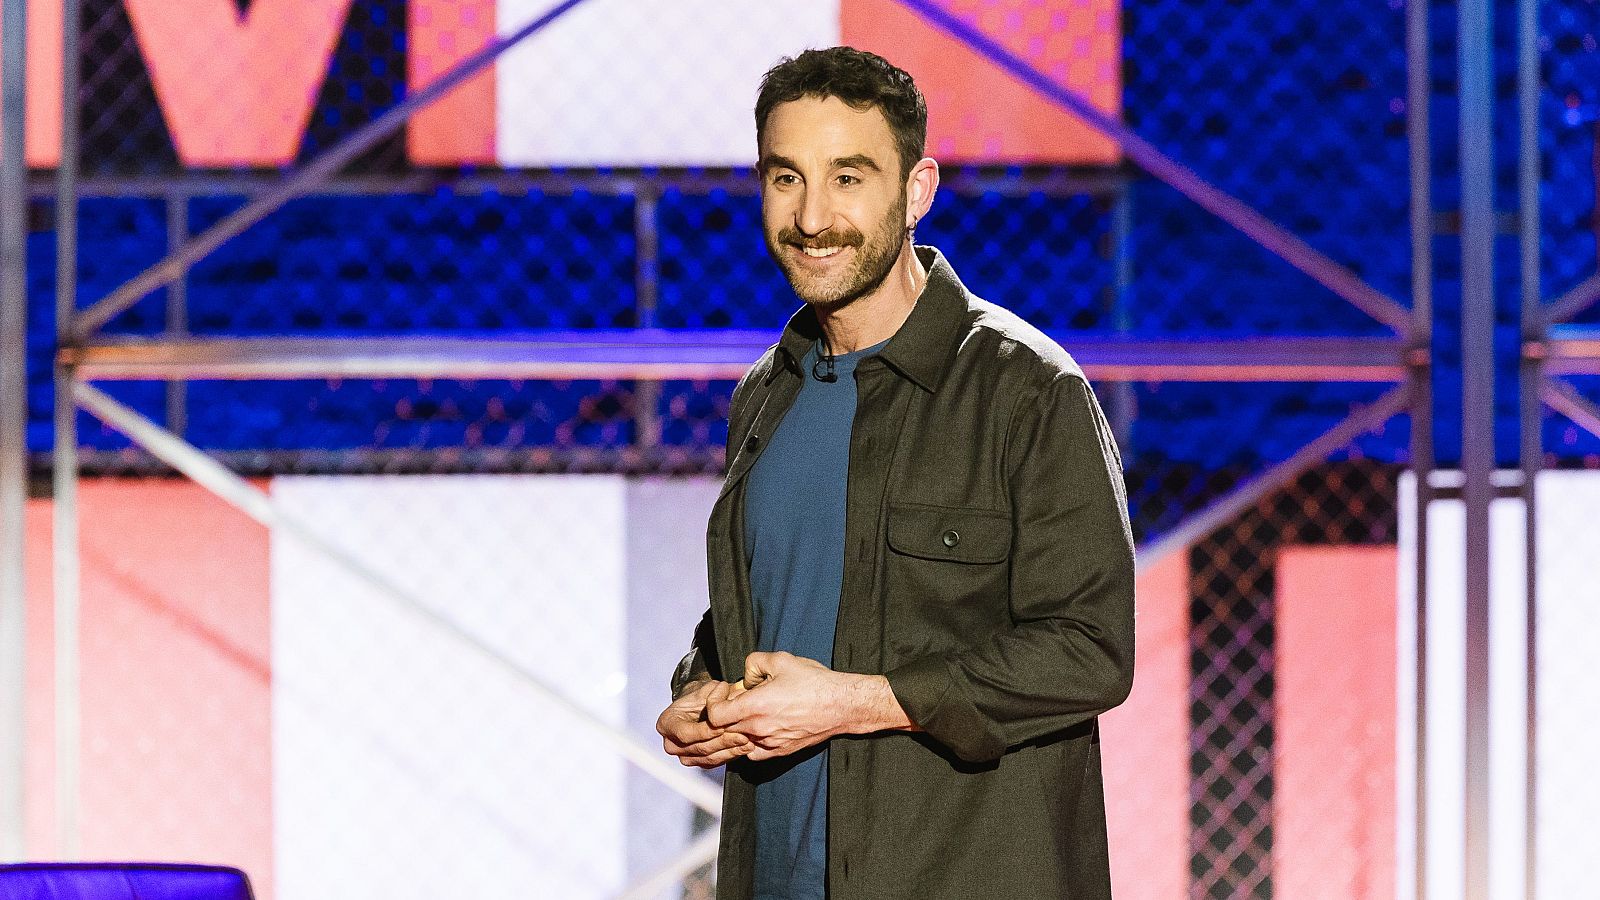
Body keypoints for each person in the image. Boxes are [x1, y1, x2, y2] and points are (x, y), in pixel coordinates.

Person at [655, 46, 1136, 900]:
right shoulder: (764, 397)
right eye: (785, 178)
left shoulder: (1025, 389)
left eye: (848, 177)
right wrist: (703, 692)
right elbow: (770, 601)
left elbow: (1090, 651)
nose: (811, 217)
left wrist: (859, 701)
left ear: (916, 191)